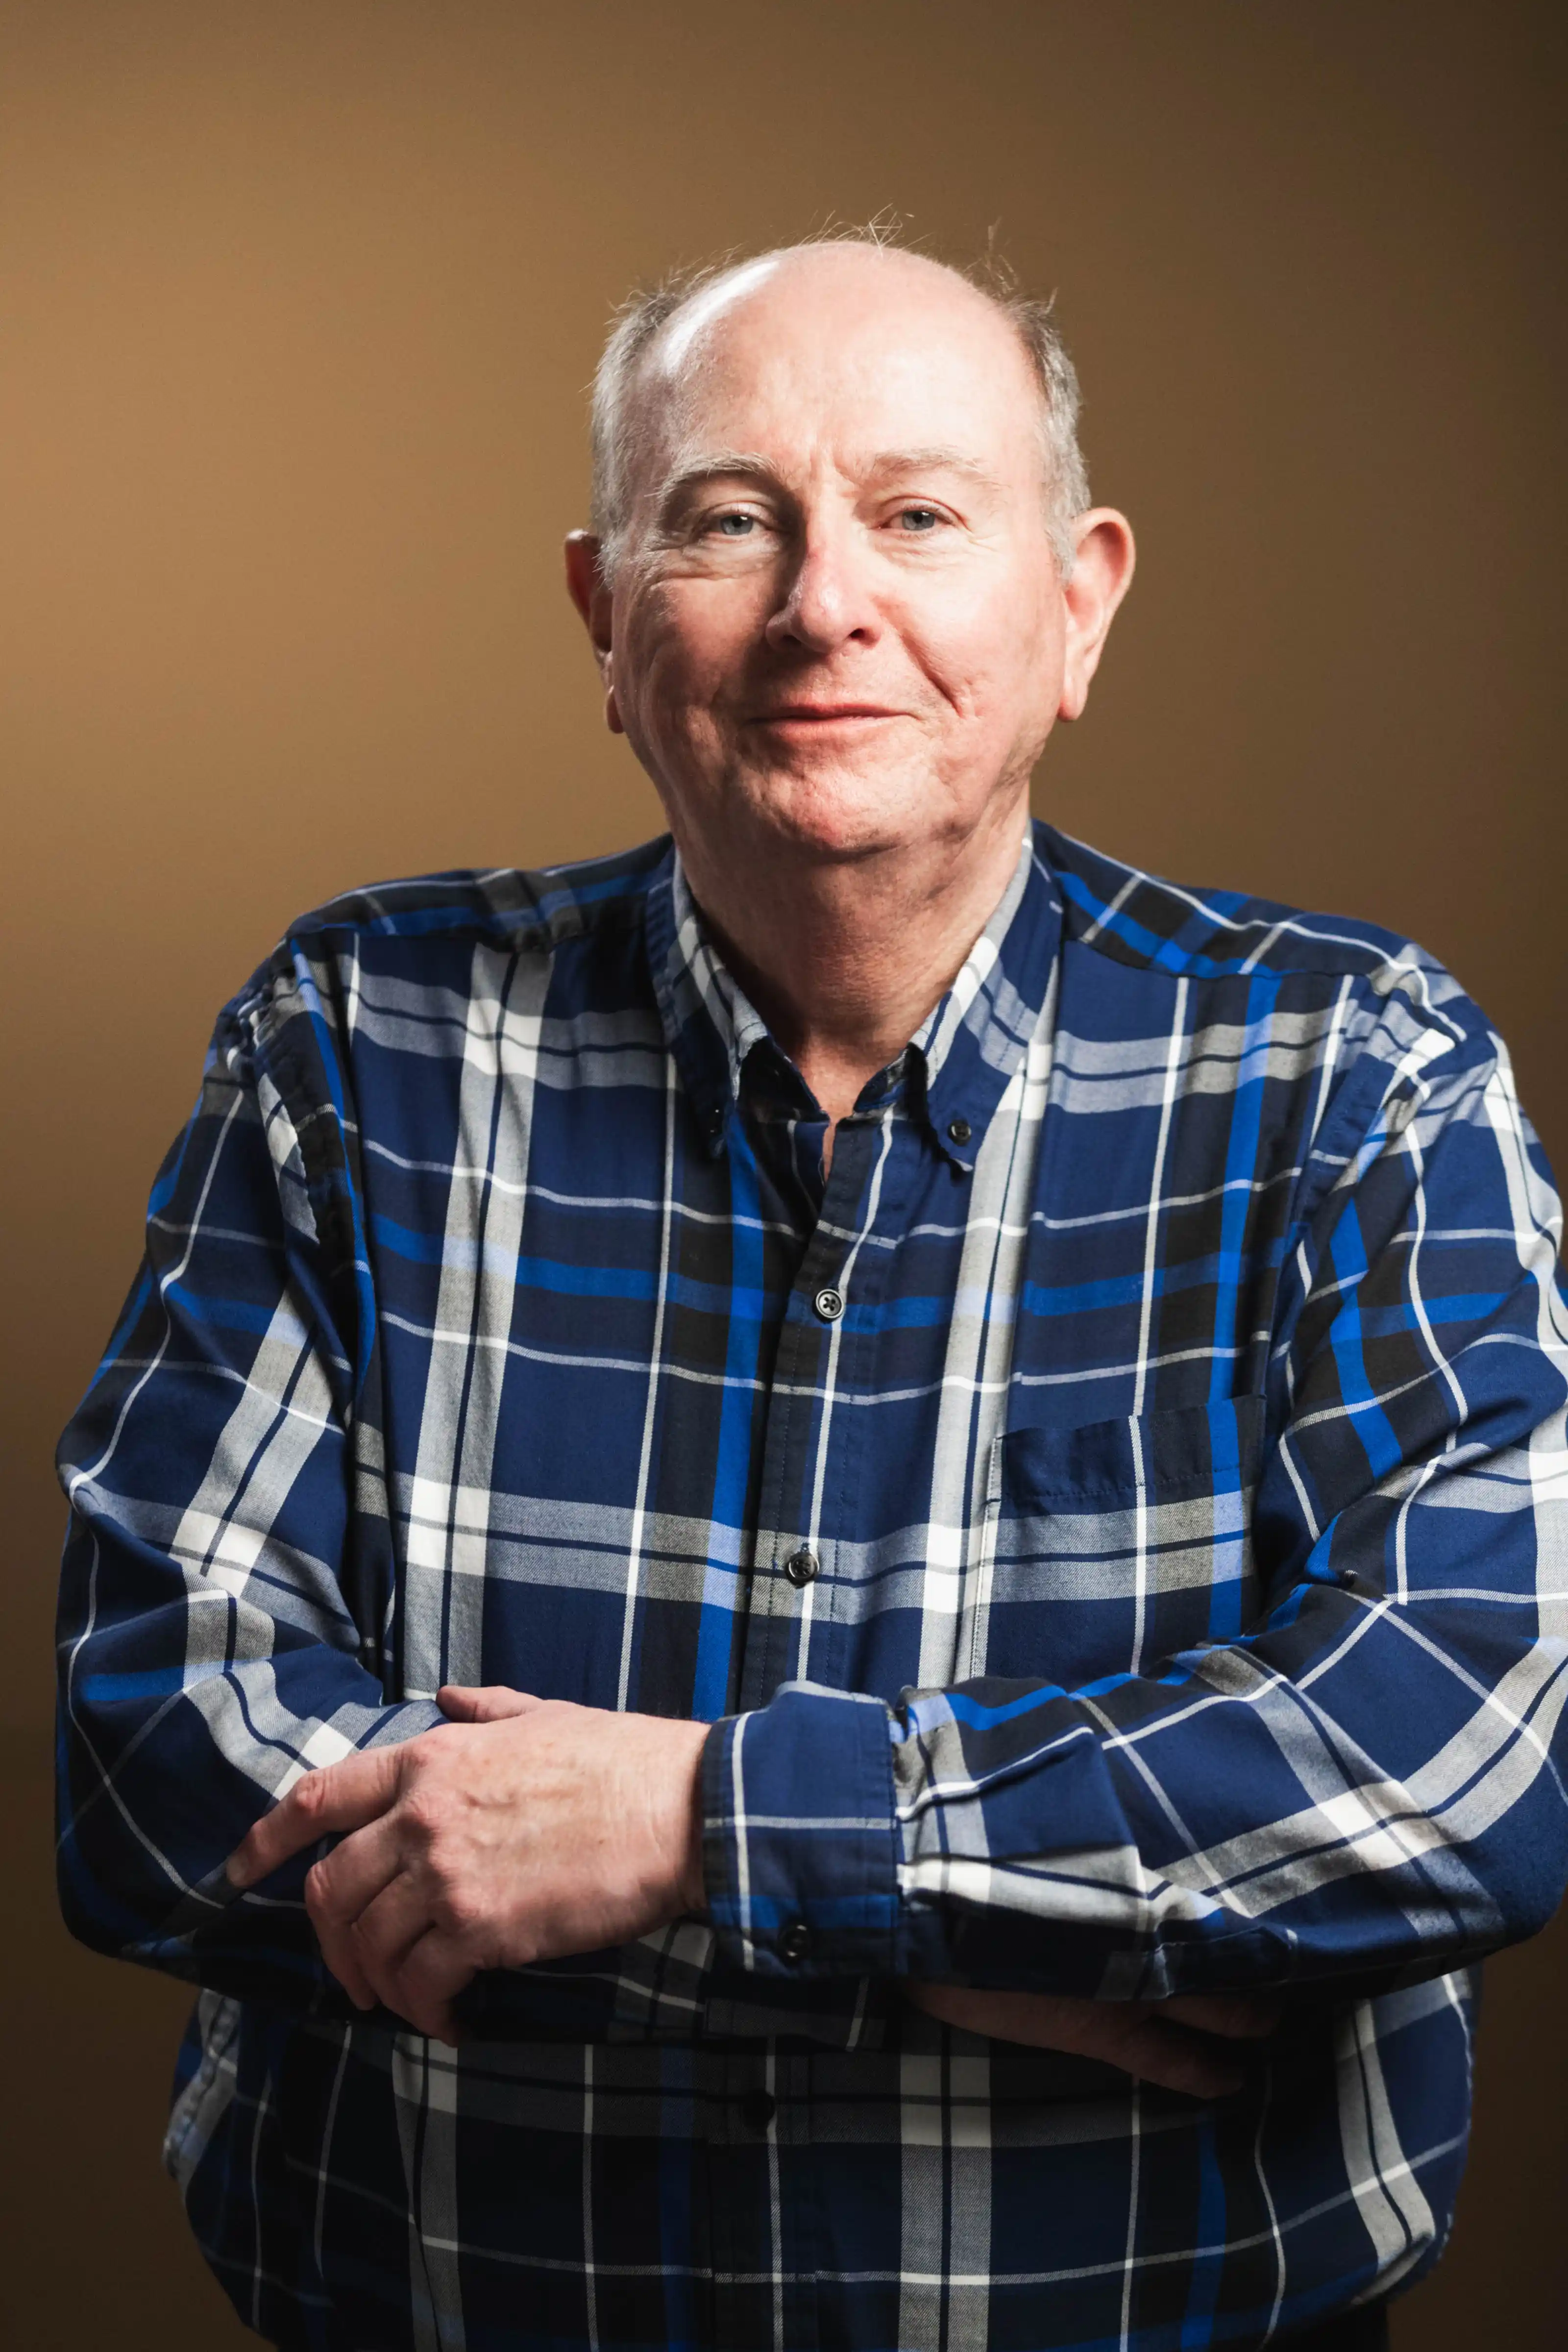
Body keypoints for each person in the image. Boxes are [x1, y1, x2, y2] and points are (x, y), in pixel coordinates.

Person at [55, 232, 1568, 2352]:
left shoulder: (1350, 1073)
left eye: (918, 515)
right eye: (727, 520)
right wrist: (972, 1920)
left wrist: (679, 1825)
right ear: (602, 616)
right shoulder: (353, 1040)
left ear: (1076, 605)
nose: (821, 604)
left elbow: (1454, 1761)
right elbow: (154, 1761)